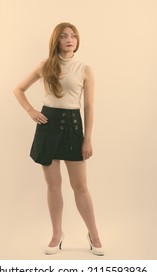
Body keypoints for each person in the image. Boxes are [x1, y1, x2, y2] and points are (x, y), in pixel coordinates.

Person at [14, 22, 104, 256]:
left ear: (77, 40)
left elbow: (89, 107)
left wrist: (88, 139)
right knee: (53, 186)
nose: (69, 39)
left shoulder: (85, 69)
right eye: (64, 36)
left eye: (73, 36)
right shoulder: (45, 66)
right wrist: (31, 110)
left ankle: (94, 235)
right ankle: (57, 235)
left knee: (81, 186)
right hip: (48, 126)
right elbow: (18, 89)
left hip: (73, 128)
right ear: (57, 40)